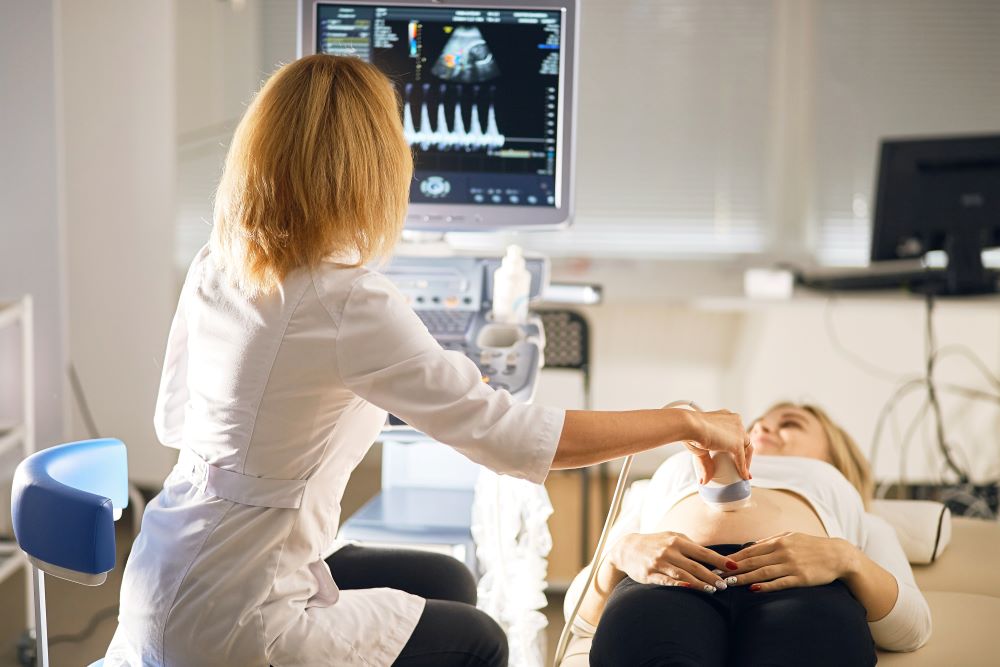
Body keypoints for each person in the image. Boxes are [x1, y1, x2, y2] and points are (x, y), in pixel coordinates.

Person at [102, 54, 751, 667]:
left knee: (447, 577)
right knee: (477, 641)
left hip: (164, 574)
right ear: (371, 169)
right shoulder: (348, 300)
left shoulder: (220, 263)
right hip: (235, 617)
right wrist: (686, 422)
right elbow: (512, 439)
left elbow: (175, 420)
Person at [564, 402, 933, 667]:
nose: (761, 429)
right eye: (755, 424)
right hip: (669, 583)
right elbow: (578, 619)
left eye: (790, 423)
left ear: (835, 456)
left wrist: (846, 558)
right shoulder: (664, 480)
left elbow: (910, 629)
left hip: (804, 595)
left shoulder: (847, 501)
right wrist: (619, 554)